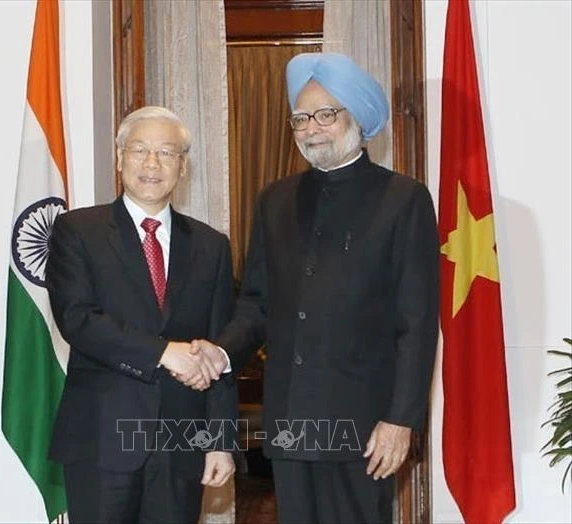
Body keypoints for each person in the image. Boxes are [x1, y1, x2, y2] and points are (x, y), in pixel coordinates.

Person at [193, 52, 439, 523]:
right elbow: (257, 306)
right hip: (289, 418)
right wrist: (222, 353)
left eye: (326, 114)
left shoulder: (403, 200)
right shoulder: (275, 201)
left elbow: (418, 323)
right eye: (301, 118)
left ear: (358, 119)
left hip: (365, 423)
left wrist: (401, 419)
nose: (312, 128)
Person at [46, 106, 237, 524]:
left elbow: (220, 349)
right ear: (120, 158)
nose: (152, 164)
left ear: (182, 167)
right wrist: (162, 352)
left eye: (167, 153)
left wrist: (221, 440)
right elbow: (77, 319)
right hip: (101, 439)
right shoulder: (78, 231)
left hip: (182, 444)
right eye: (140, 150)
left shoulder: (211, 246)